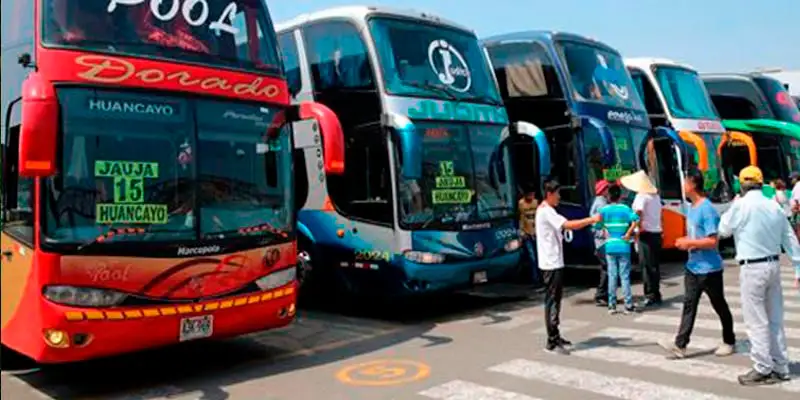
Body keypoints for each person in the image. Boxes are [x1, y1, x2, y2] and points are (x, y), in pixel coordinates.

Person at [718, 166, 800, 385]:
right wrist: (798, 268)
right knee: (775, 319)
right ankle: (781, 366)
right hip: (773, 266)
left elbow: (723, 229)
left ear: (742, 185)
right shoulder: (773, 206)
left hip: (752, 268)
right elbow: (789, 239)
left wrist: (733, 205)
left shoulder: (740, 205)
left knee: (756, 321)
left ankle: (762, 367)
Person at [658, 171, 736, 359]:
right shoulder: (692, 208)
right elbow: (696, 236)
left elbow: (712, 241)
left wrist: (689, 243)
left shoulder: (707, 209)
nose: (683, 185)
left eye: (685, 182)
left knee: (719, 305)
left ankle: (729, 341)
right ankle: (680, 345)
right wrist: (685, 240)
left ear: (693, 184)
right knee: (689, 304)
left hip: (709, 269)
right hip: (693, 267)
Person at [536, 179, 601, 355]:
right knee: (552, 302)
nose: (559, 197)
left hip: (554, 261)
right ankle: (551, 341)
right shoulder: (546, 212)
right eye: (557, 194)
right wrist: (591, 219)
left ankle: (555, 335)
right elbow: (569, 225)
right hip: (551, 263)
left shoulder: (548, 210)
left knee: (555, 300)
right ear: (549, 194)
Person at [622, 171, 663, 307]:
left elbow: (638, 216)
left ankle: (650, 295)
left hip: (646, 234)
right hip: (657, 233)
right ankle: (656, 293)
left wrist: (631, 232)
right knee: (654, 265)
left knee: (646, 266)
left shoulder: (642, 197)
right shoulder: (655, 197)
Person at [597, 184, 639, 314]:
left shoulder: (604, 210)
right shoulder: (625, 208)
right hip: (624, 245)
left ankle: (612, 305)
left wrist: (605, 228)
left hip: (610, 246)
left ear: (608, 196)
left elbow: (598, 225)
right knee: (625, 276)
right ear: (620, 196)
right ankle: (628, 304)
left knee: (612, 275)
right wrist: (628, 233)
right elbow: (636, 219)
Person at [590, 180, 610, 306]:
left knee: (606, 268)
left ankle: (603, 294)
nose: (608, 191)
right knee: (607, 267)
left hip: (601, 241)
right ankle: (601, 294)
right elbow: (596, 223)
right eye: (607, 188)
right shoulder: (601, 203)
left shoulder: (600, 202)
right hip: (602, 242)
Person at [518, 187, 540, 286]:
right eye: (530, 194)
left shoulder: (536, 203)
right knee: (532, 257)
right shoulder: (521, 204)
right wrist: (522, 232)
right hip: (527, 233)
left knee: (537, 256)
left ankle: (539, 278)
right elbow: (521, 218)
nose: (531, 196)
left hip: (536, 233)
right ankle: (535, 279)